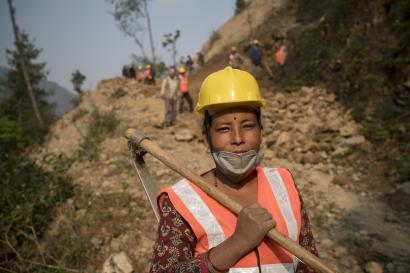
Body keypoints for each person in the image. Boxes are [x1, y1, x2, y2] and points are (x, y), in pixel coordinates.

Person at [150, 67, 318, 273]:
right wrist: (237, 243)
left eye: (248, 126)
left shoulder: (284, 183)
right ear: (206, 138)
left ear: (261, 131)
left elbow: (308, 262)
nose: (238, 139)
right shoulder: (182, 201)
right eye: (223, 129)